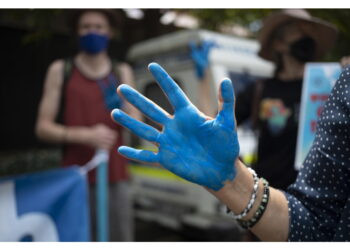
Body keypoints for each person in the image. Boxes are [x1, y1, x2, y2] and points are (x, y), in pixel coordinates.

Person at [111, 62, 350, 241]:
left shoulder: (325, 82)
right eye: (293, 31)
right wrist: (231, 180)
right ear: (278, 40)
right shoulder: (264, 88)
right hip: (274, 197)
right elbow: (315, 225)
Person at [35, 9, 140, 241]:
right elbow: (43, 127)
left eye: (99, 27)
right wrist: (85, 135)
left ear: (110, 32)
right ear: (77, 31)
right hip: (74, 177)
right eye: (86, 26)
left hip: (116, 176)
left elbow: (137, 124)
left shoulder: (121, 71)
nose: (92, 31)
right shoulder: (61, 70)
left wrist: (125, 109)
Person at [233, 9, 338, 190]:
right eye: (298, 31)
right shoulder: (260, 90)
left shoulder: (327, 86)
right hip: (269, 196)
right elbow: (221, 124)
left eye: (309, 33)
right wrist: (238, 168)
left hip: (317, 195)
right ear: (279, 44)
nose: (306, 38)